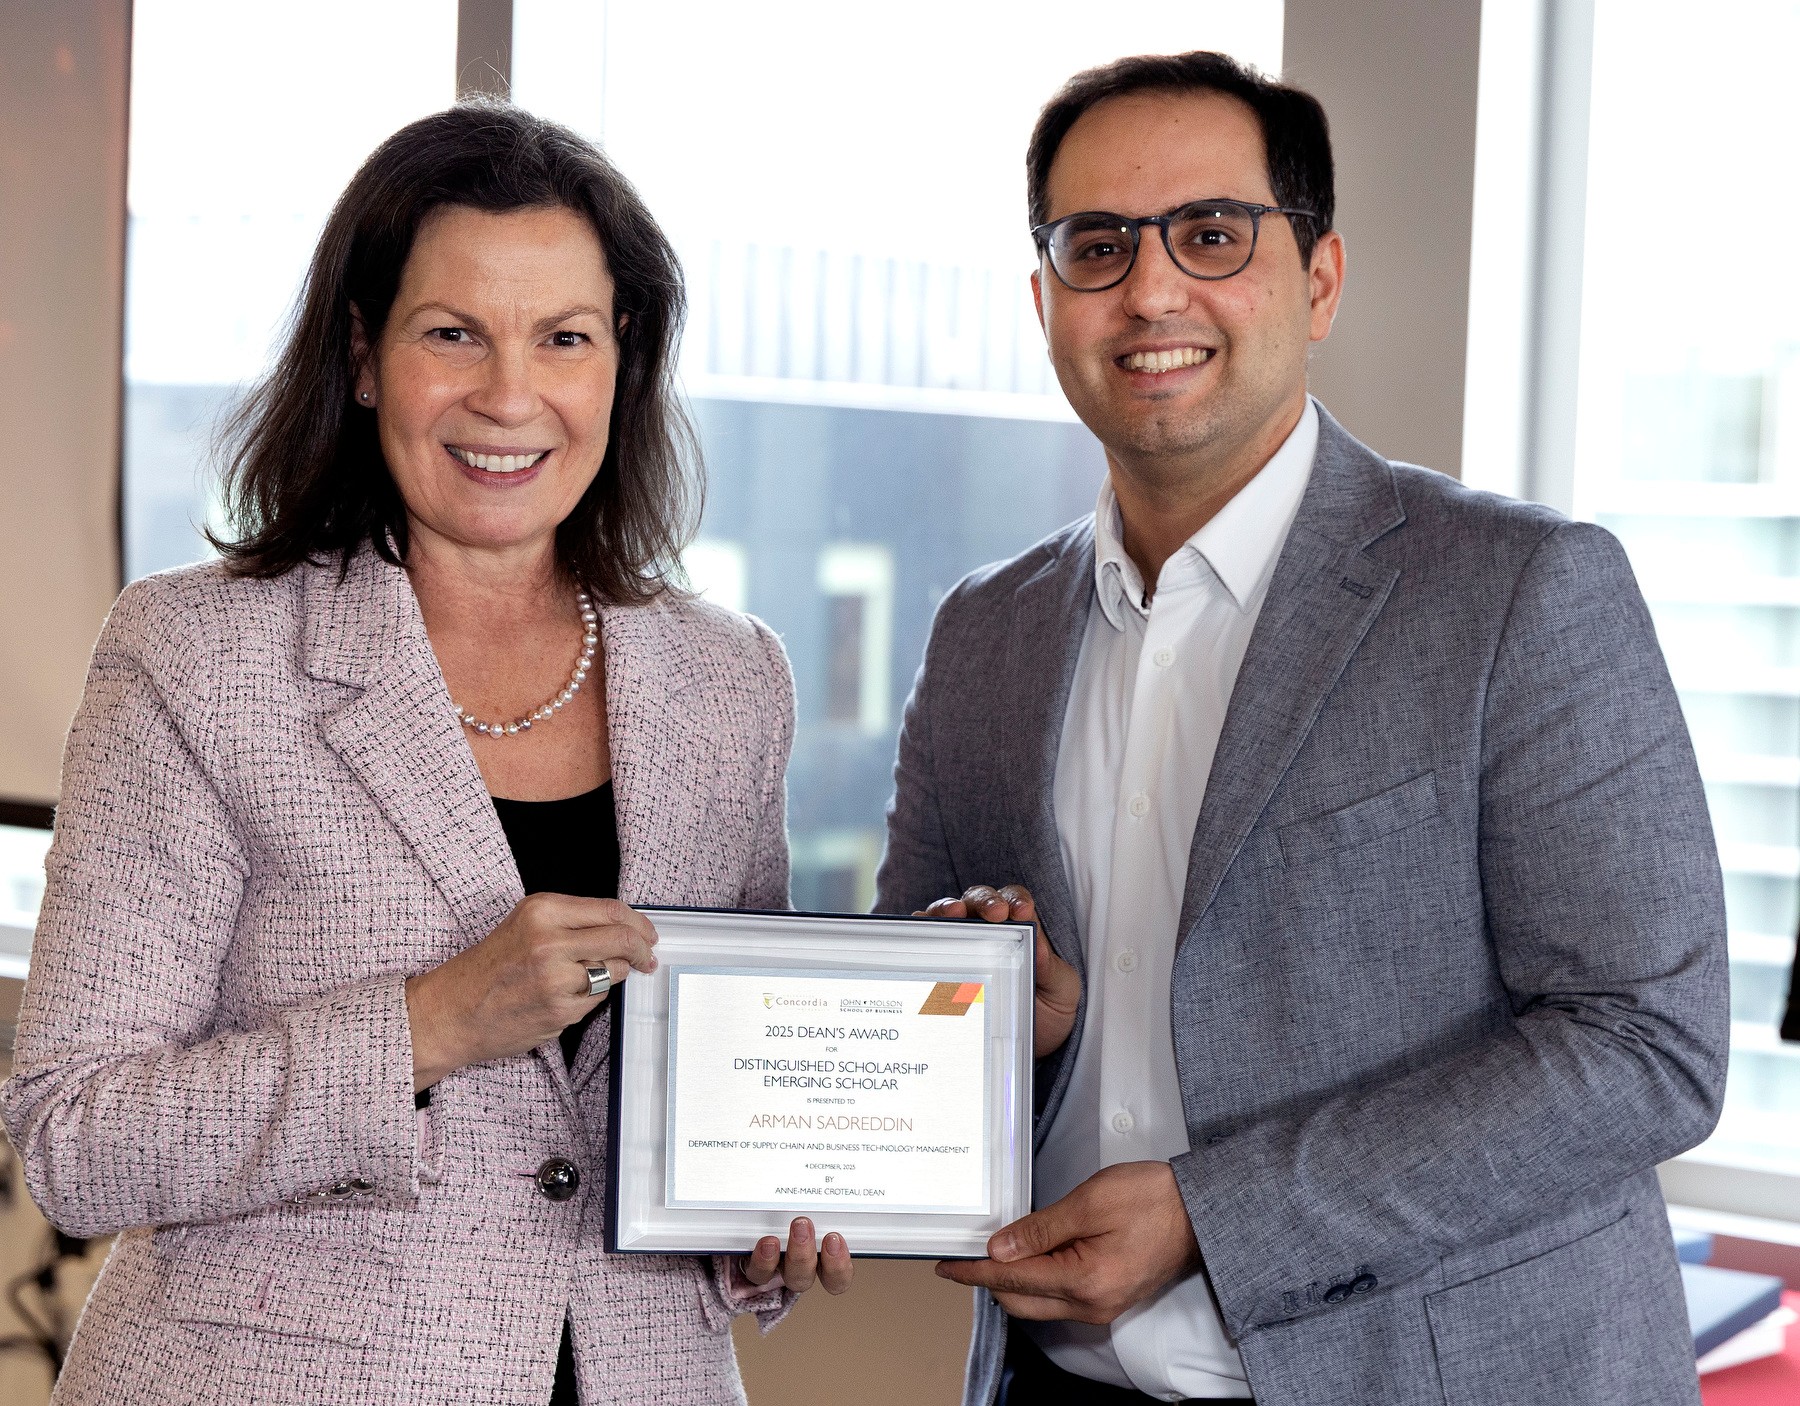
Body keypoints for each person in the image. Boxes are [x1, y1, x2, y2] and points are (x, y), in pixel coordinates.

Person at [876, 51, 1728, 1406]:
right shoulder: (981, 634)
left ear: (1318, 279)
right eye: (1097, 247)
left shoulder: (1519, 591)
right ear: (1044, 300)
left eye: (1211, 235)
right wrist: (1001, 1026)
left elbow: (1648, 1047)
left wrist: (1219, 1213)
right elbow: (907, 1044)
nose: (1152, 290)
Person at [1, 102, 850, 1405]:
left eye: (562, 337)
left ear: (619, 360)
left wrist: (761, 1227)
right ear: (361, 356)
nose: (509, 394)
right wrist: (430, 1024)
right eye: (452, 333)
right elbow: (73, 1138)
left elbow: (721, 1104)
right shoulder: (197, 653)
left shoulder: (729, 678)